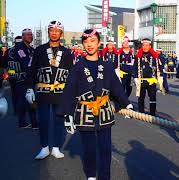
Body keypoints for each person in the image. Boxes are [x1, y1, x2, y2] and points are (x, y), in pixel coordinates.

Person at [58, 29, 133, 180]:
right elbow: (70, 89)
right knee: (89, 148)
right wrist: (68, 114)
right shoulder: (78, 66)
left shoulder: (107, 65)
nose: (89, 45)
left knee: (105, 149)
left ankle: (105, 177)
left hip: (104, 111)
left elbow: (116, 86)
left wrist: (126, 103)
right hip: (84, 111)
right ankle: (91, 175)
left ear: (99, 43)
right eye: (86, 42)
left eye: (92, 41)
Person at [25, 21, 73, 160]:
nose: (54, 33)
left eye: (57, 31)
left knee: (59, 121)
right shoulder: (39, 50)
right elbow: (32, 70)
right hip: (43, 92)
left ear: (61, 33)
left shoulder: (67, 52)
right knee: (43, 120)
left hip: (60, 92)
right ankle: (44, 147)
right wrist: (29, 89)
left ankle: (56, 147)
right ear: (48, 32)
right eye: (51, 30)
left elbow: (72, 74)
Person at [11, 28, 37, 128]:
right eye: (27, 35)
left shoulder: (31, 49)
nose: (30, 36)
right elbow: (26, 63)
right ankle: (24, 122)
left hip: (31, 79)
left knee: (30, 101)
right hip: (22, 79)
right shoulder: (20, 49)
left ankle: (32, 123)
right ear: (22, 37)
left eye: (31, 34)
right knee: (25, 101)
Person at [133, 38, 164, 116]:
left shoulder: (155, 56)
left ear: (150, 46)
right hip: (142, 79)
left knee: (152, 96)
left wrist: (161, 76)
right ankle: (141, 112)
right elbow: (134, 67)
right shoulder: (138, 56)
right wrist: (135, 77)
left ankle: (152, 113)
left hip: (152, 80)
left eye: (147, 45)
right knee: (141, 97)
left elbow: (159, 67)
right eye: (143, 45)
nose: (145, 47)